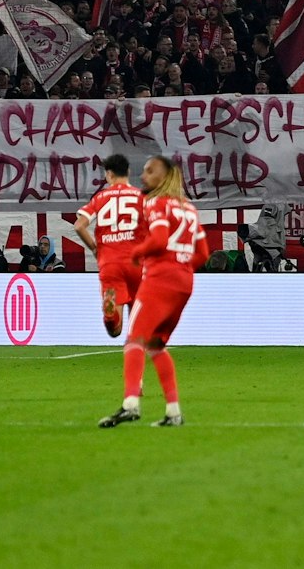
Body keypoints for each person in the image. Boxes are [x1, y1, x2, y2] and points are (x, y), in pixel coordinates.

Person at [100, 154, 208, 429]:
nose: (143, 176)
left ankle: (130, 404)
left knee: (134, 340)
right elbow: (203, 254)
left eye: (149, 171)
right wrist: (181, 267)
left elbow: (159, 240)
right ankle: (174, 412)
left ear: (163, 176)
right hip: (184, 284)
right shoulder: (190, 209)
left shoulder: (158, 204)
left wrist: (138, 253)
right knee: (156, 345)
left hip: (160, 279)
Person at [74, 154, 145, 337]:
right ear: (128, 172)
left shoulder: (101, 198)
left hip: (110, 263)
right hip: (137, 263)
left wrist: (94, 248)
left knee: (115, 331)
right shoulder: (141, 197)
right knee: (140, 322)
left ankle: (111, 315)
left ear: (109, 175)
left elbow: (79, 225)